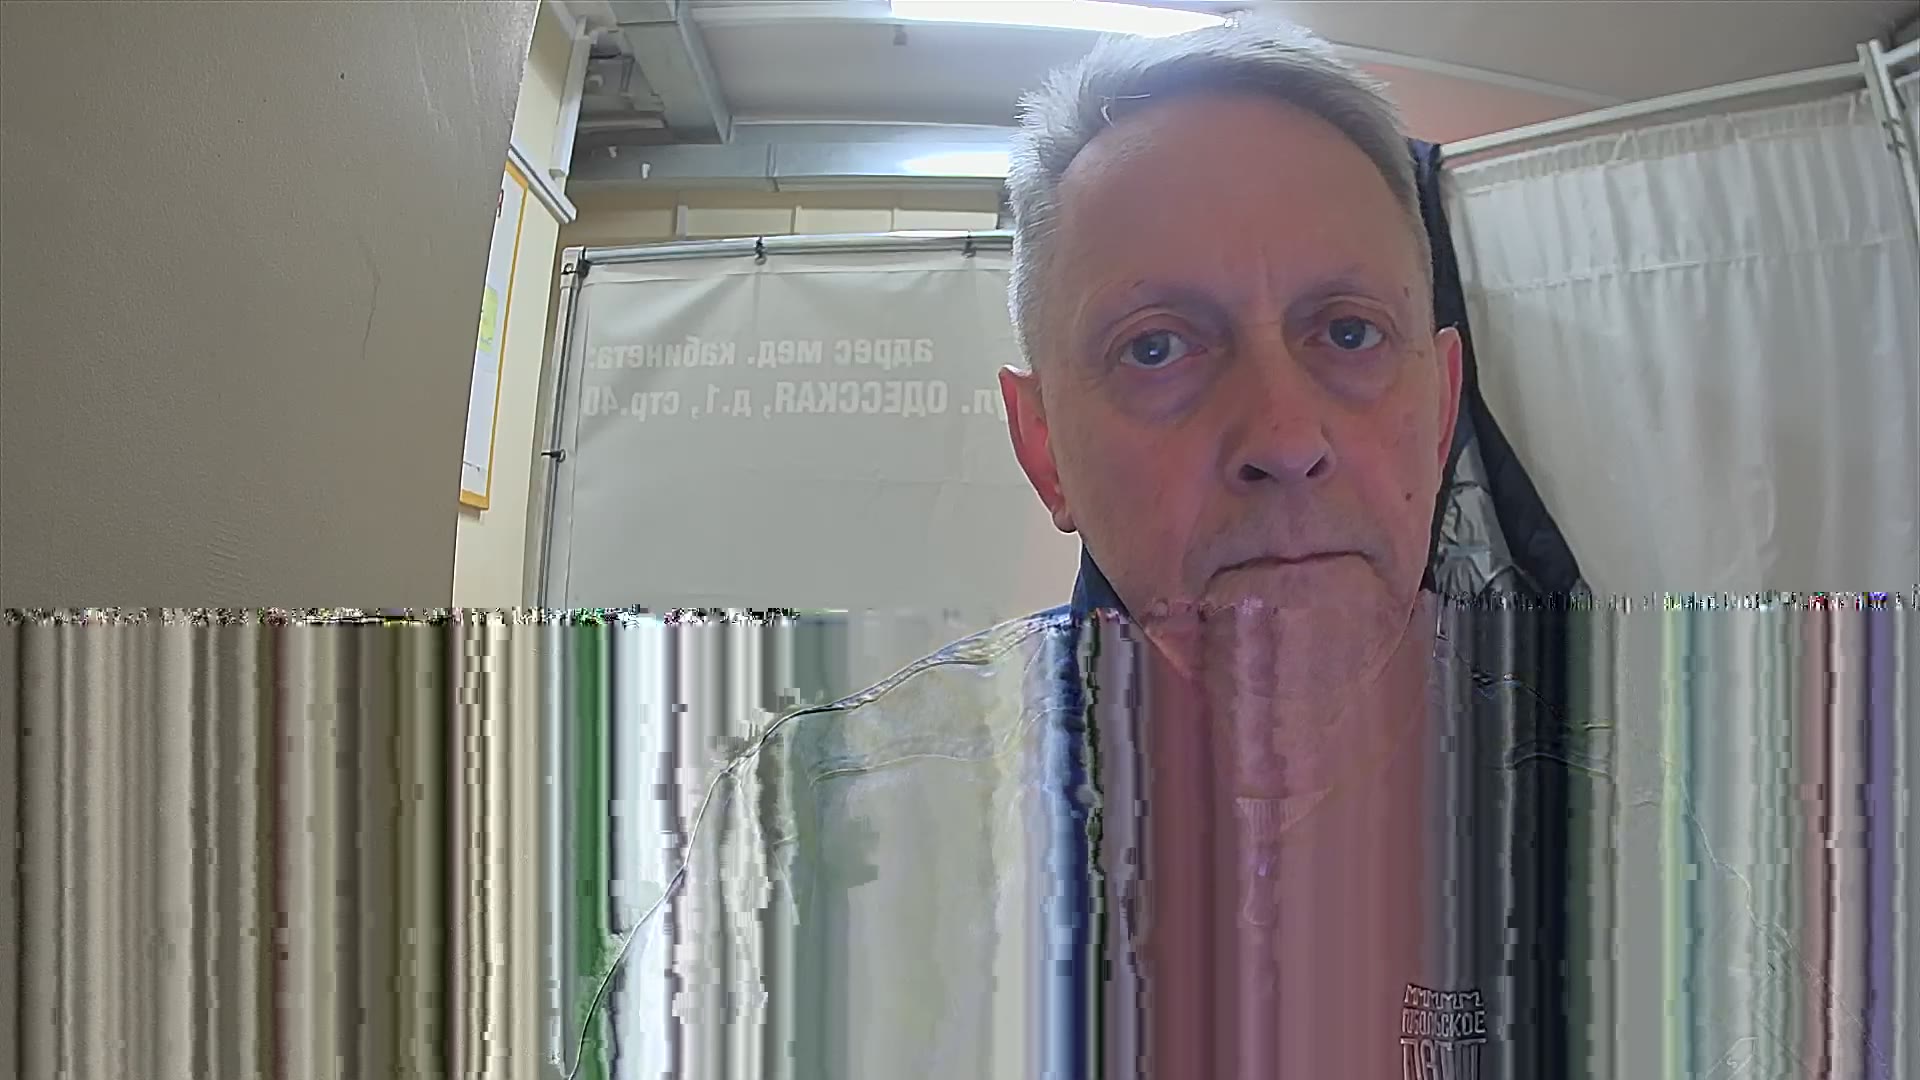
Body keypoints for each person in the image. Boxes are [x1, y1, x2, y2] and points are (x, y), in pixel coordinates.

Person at [681, 19, 1517, 1080]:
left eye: (1348, 332)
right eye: (1157, 347)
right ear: (1045, 450)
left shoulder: (1640, 826)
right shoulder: (816, 843)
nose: (1284, 437)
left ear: (1440, 409)